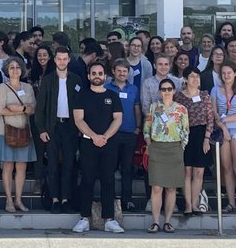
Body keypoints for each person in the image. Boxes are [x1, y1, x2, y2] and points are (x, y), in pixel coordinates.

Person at [69, 61, 124, 234]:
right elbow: (78, 119)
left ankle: (109, 220)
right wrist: (94, 137)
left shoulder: (113, 96)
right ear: (88, 76)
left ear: (105, 76)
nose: (97, 76)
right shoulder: (81, 95)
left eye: (100, 73)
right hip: (87, 144)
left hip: (109, 144)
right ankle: (84, 218)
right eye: (94, 73)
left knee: (108, 180)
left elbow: (118, 119)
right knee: (87, 180)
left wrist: (105, 137)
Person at [35, 46, 83, 212]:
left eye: (65, 58)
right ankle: (54, 199)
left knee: (69, 165)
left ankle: (66, 199)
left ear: (69, 60)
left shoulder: (76, 80)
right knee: (53, 165)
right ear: (54, 60)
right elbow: (40, 108)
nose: (62, 61)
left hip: (71, 127)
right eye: (59, 58)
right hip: (52, 127)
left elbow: (81, 106)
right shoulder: (48, 80)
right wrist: (41, 129)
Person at [143, 77, 188, 233]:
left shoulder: (181, 109)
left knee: (171, 188)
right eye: (164, 89)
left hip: (174, 148)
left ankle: (168, 221)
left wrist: (181, 147)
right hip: (157, 147)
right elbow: (147, 128)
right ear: (160, 91)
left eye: (169, 89)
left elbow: (185, 130)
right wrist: (150, 145)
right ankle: (155, 221)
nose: (167, 92)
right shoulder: (154, 107)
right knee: (156, 187)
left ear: (174, 90)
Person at [0, 56, 37, 213]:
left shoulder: (28, 87)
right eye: (11, 67)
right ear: (7, 70)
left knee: (21, 167)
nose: (15, 70)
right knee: (7, 166)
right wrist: (23, 108)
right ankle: (9, 200)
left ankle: (18, 199)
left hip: (24, 132)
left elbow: (32, 109)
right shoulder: (2, 87)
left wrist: (17, 108)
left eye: (18, 67)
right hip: (5, 132)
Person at [174, 68, 218, 217]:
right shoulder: (178, 97)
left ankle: (195, 204)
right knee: (187, 171)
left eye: (197, 76)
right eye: (192, 76)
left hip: (201, 134)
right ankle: (187, 205)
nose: (195, 79)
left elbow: (210, 118)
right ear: (185, 79)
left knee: (199, 172)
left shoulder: (204, 95)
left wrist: (207, 138)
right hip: (185, 135)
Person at [212, 62, 236, 217]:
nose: (226, 76)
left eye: (229, 72)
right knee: (226, 168)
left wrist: (225, 120)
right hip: (222, 131)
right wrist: (223, 127)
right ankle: (231, 203)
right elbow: (214, 112)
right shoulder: (216, 90)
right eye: (224, 73)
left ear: (235, 73)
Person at [105, 58, 142, 212]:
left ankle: (127, 200)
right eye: (119, 71)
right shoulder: (106, 87)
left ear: (128, 73)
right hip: (111, 134)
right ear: (113, 71)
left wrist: (138, 128)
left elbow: (137, 109)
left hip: (129, 134)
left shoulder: (133, 89)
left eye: (124, 71)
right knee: (110, 168)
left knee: (127, 168)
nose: (122, 74)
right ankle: (111, 199)